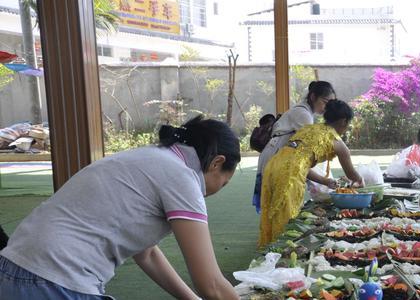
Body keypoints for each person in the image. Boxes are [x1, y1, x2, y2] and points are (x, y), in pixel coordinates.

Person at [0, 115, 241, 300]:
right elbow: (211, 285)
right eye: (224, 181)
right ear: (216, 163)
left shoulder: (151, 158)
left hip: (11, 268)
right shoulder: (182, 177)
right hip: (57, 280)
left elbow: (147, 253)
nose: (217, 190)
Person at [258, 100, 364, 247]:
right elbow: (351, 174)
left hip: (273, 165)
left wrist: (324, 181)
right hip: (289, 173)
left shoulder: (310, 129)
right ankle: (281, 255)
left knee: (272, 212)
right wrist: (360, 179)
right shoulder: (337, 142)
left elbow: (298, 163)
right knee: (287, 218)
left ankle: (269, 251)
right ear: (344, 121)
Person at [252, 81, 336, 213]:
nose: (327, 107)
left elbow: (301, 161)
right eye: (325, 102)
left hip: (276, 156)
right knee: (281, 207)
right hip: (276, 158)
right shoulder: (303, 115)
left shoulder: (305, 113)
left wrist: (325, 181)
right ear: (313, 97)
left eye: (330, 104)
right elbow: (309, 152)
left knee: (280, 207)